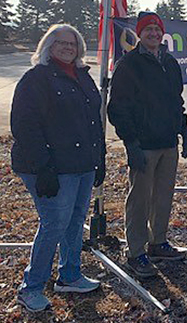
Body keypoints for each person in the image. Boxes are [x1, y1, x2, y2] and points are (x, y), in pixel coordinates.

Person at [10, 24, 105, 312]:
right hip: (50, 166)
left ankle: (70, 275)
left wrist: (98, 160)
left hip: (82, 164)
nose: (67, 47)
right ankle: (31, 288)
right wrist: (43, 168)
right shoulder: (36, 79)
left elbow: (94, 122)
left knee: (76, 221)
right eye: (61, 43)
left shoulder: (84, 76)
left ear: (79, 48)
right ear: (48, 46)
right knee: (54, 225)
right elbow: (25, 126)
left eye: (72, 43)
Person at [108, 12, 187, 278]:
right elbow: (117, 108)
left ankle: (158, 242)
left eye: (157, 30)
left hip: (168, 143)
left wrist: (185, 131)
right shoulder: (129, 64)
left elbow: (175, 101)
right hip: (143, 144)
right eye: (148, 30)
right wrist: (131, 143)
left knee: (163, 197)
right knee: (140, 200)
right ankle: (136, 252)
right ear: (140, 34)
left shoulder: (169, 62)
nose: (154, 34)